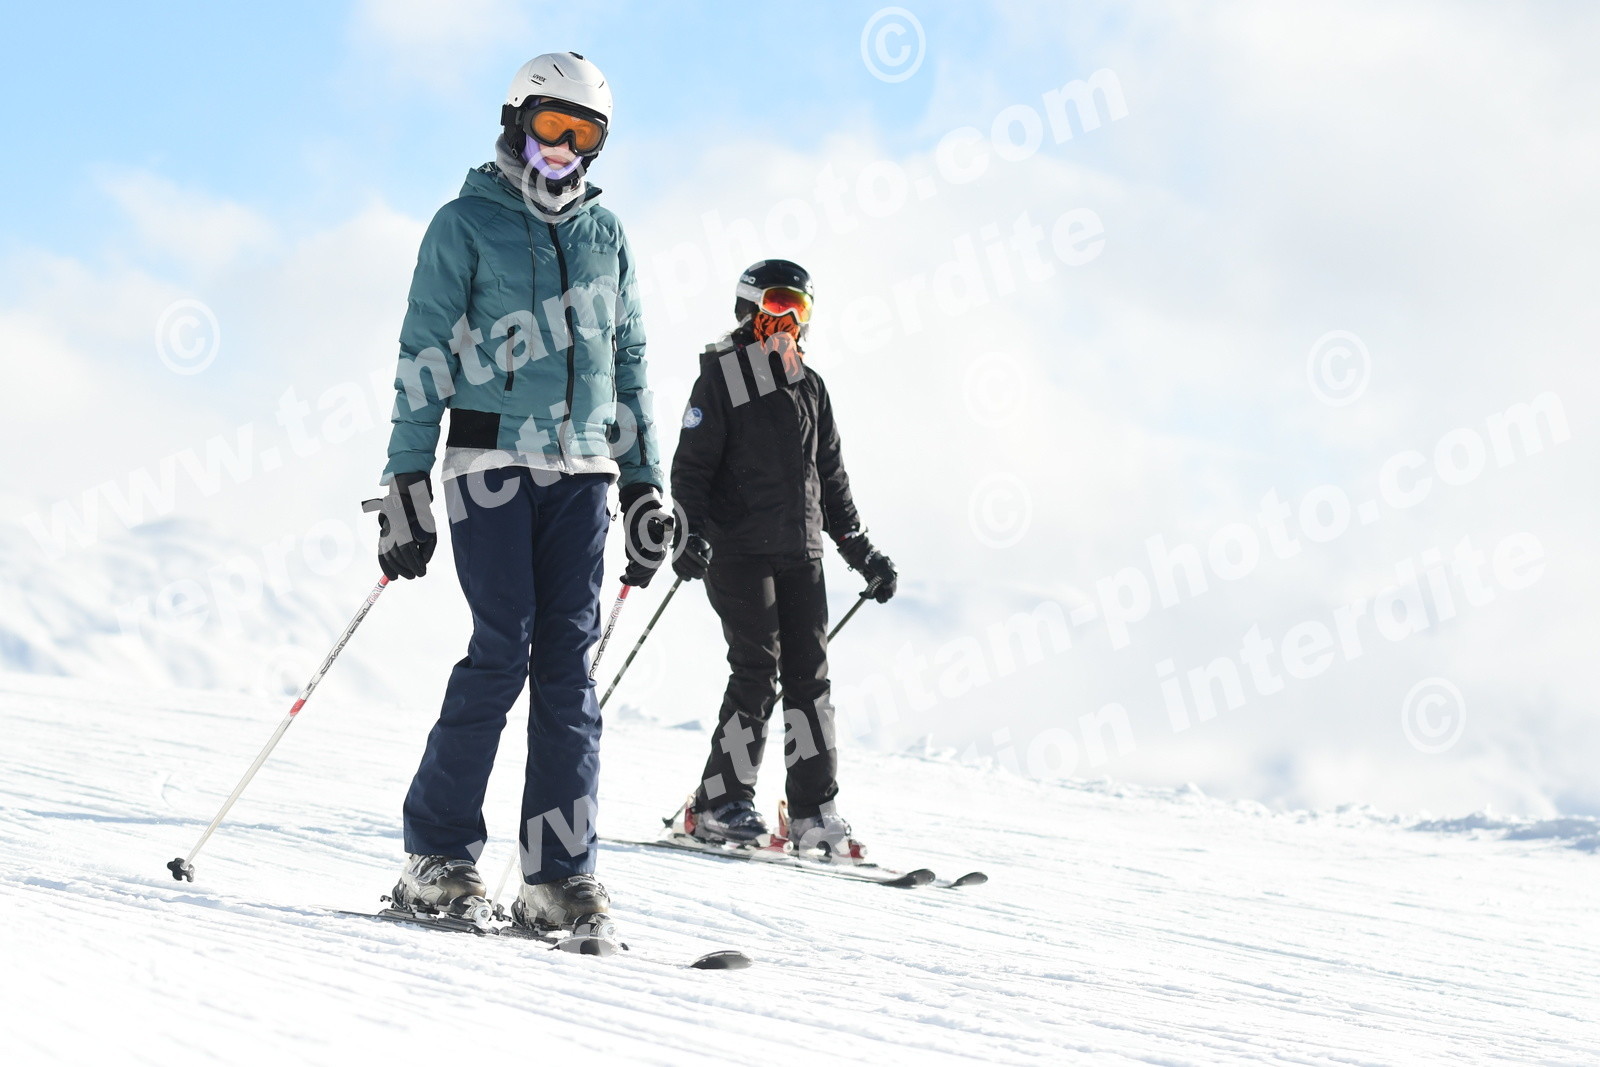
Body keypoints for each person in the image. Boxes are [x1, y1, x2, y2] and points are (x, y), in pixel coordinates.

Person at [374, 53, 670, 929]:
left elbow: (629, 364)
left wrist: (645, 484)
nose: (564, 149)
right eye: (551, 127)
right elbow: (424, 354)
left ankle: (556, 875)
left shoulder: (607, 235)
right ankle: (436, 856)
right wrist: (405, 478)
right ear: (516, 121)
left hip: (583, 473)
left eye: (585, 134)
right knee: (504, 648)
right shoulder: (464, 222)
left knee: (569, 673)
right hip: (489, 463)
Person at [668, 259, 898, 860]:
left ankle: (813, 812)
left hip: (802, 553)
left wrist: (862, 551)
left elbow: (833, 481)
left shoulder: (810, 386)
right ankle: (719, 803)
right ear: (749, 307)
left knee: (810, 681)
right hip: (738, 550)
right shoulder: (722, 378)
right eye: (777, 303)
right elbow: (691, 469)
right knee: (756, 669)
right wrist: (688, 534)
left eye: (800, 308)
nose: (788, 318)